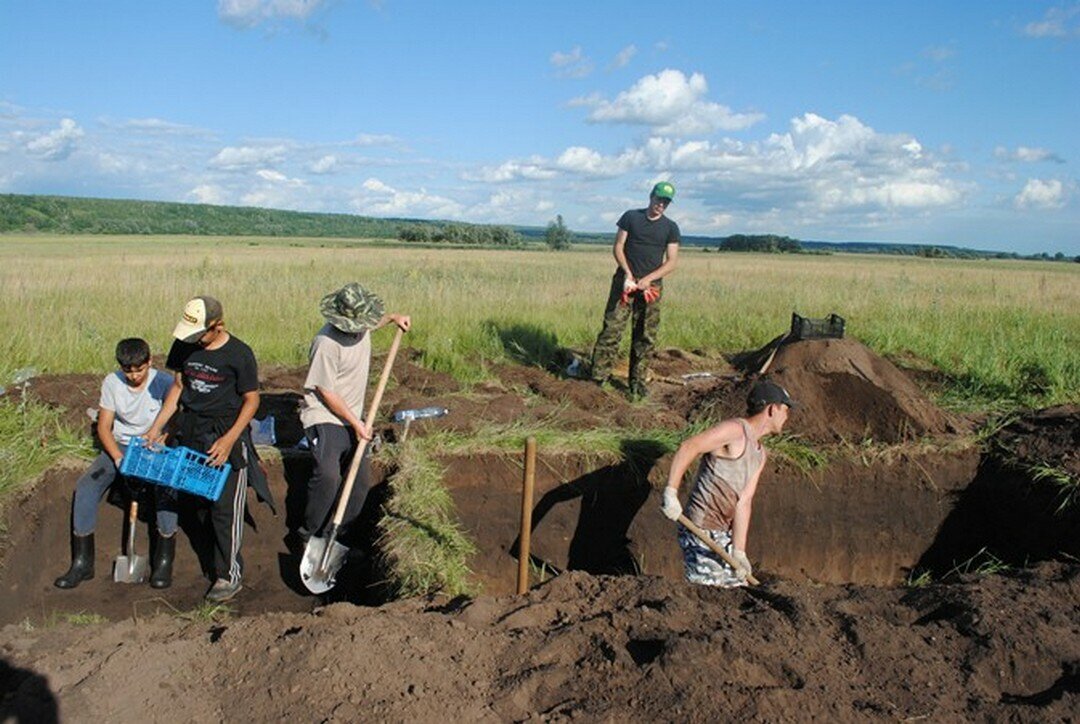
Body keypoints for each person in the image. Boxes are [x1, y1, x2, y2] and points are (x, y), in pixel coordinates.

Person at [146, 296, 274, 602]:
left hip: (224, 436)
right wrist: (158, 428)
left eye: (201, 335)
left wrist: (230, 439)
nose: (195, 341)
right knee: (201, 504)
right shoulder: (184, 345)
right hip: (192, 433)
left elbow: (252, 400)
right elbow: (179, 388)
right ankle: (212, 561)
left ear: (218, 326)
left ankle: (229, 575)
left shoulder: (239, 354)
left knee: (224, 510)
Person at [55, 338, 176, 589]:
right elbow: (104, 427)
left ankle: (163, 561)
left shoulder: (163, 382)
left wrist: (164, 437)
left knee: (166, 490)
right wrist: (119, 458)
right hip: (120, 445)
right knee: (87, 486)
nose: (133, 376)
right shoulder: (112, 382)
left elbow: (174, 419)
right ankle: (82, 563)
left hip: (154, 446)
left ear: (150, 362)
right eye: (127, 371)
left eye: (139, 370)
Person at [299, 283, 410, 543]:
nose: (361, 328)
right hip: (325, 415)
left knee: (359, 485)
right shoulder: (326, 344)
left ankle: (335, 537)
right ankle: (309, 534)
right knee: (328, 475)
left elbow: (373, 322)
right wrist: (356, 424)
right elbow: (326, 393)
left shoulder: (362, 324)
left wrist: (394, 317)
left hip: (354, 417)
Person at [660, 380, 796, 587]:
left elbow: (744, 502)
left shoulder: (760, 454)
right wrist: (671, 492)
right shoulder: (735, 430)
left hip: (723, 534)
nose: (787, 416)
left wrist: (739, 551)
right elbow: (689, 446)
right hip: (700, 527)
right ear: (772, 408)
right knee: (708, 591)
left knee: (735, 590)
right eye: (786, 409)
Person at [589, 181, 681, 400]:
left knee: (645, 336)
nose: (661, 205)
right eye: (659, 199)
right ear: (651, 196)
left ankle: (637, 384)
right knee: (612, 330)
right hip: (625, 282)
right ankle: (597, 379)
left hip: (651, 287)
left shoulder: (671, 227)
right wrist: (628, 274)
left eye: (666, 202)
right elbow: (618, 247)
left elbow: (672, 261)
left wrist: (649, 279)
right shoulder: (631, 217)